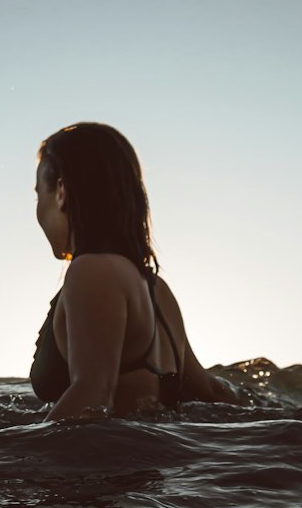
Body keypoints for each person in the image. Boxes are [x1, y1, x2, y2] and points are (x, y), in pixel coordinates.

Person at [30, 122, 234, 421]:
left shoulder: (92, 270)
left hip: (108, 464)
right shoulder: (155, 289)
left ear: (61, 191)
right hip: (158, 463)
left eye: (39, 196)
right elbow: (208, 391)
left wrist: (11, 461)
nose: (37, 211)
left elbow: (93, 394)